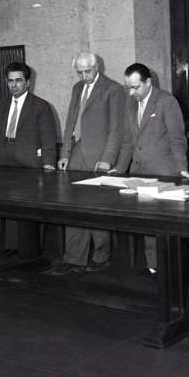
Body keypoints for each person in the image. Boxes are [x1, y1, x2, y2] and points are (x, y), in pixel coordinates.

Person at [47, 52, 125, 276]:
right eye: (79, 72)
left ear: (97, 66)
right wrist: (65, 153)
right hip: (77, 154)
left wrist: (108, 159)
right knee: (73, 207)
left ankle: (101, 256)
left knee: (97, 208)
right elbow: (70, 122)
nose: (83, 76)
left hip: (100, 156)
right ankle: (74, 258)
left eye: (87, 71)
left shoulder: (113, 89)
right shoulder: (77, 88)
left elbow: (117, 129)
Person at [111, 63, 189, 277]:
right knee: (147, 223)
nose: (131, 92)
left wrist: (182, 168)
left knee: (166, 225)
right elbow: (128, 141)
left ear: (148, 82)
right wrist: (119, 168)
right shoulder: (130, 104)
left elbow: (177, 138)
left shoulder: (167, 102)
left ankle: (170, 269)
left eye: (135, 87)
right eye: (128, 87)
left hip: (164, 172)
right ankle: (154, 267)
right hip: (139, 173)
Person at [0, 62, 57, 257]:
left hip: (29, 162)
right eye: (10, 81)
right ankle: (12, 247)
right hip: (6, 159)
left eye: (18, 80)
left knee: (29, 206)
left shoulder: (41, 106)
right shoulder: (4, 104)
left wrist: (48, 163)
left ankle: (30, 251)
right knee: (10, 204)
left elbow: (48, 138)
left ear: (28, 82)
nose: (14, 85)